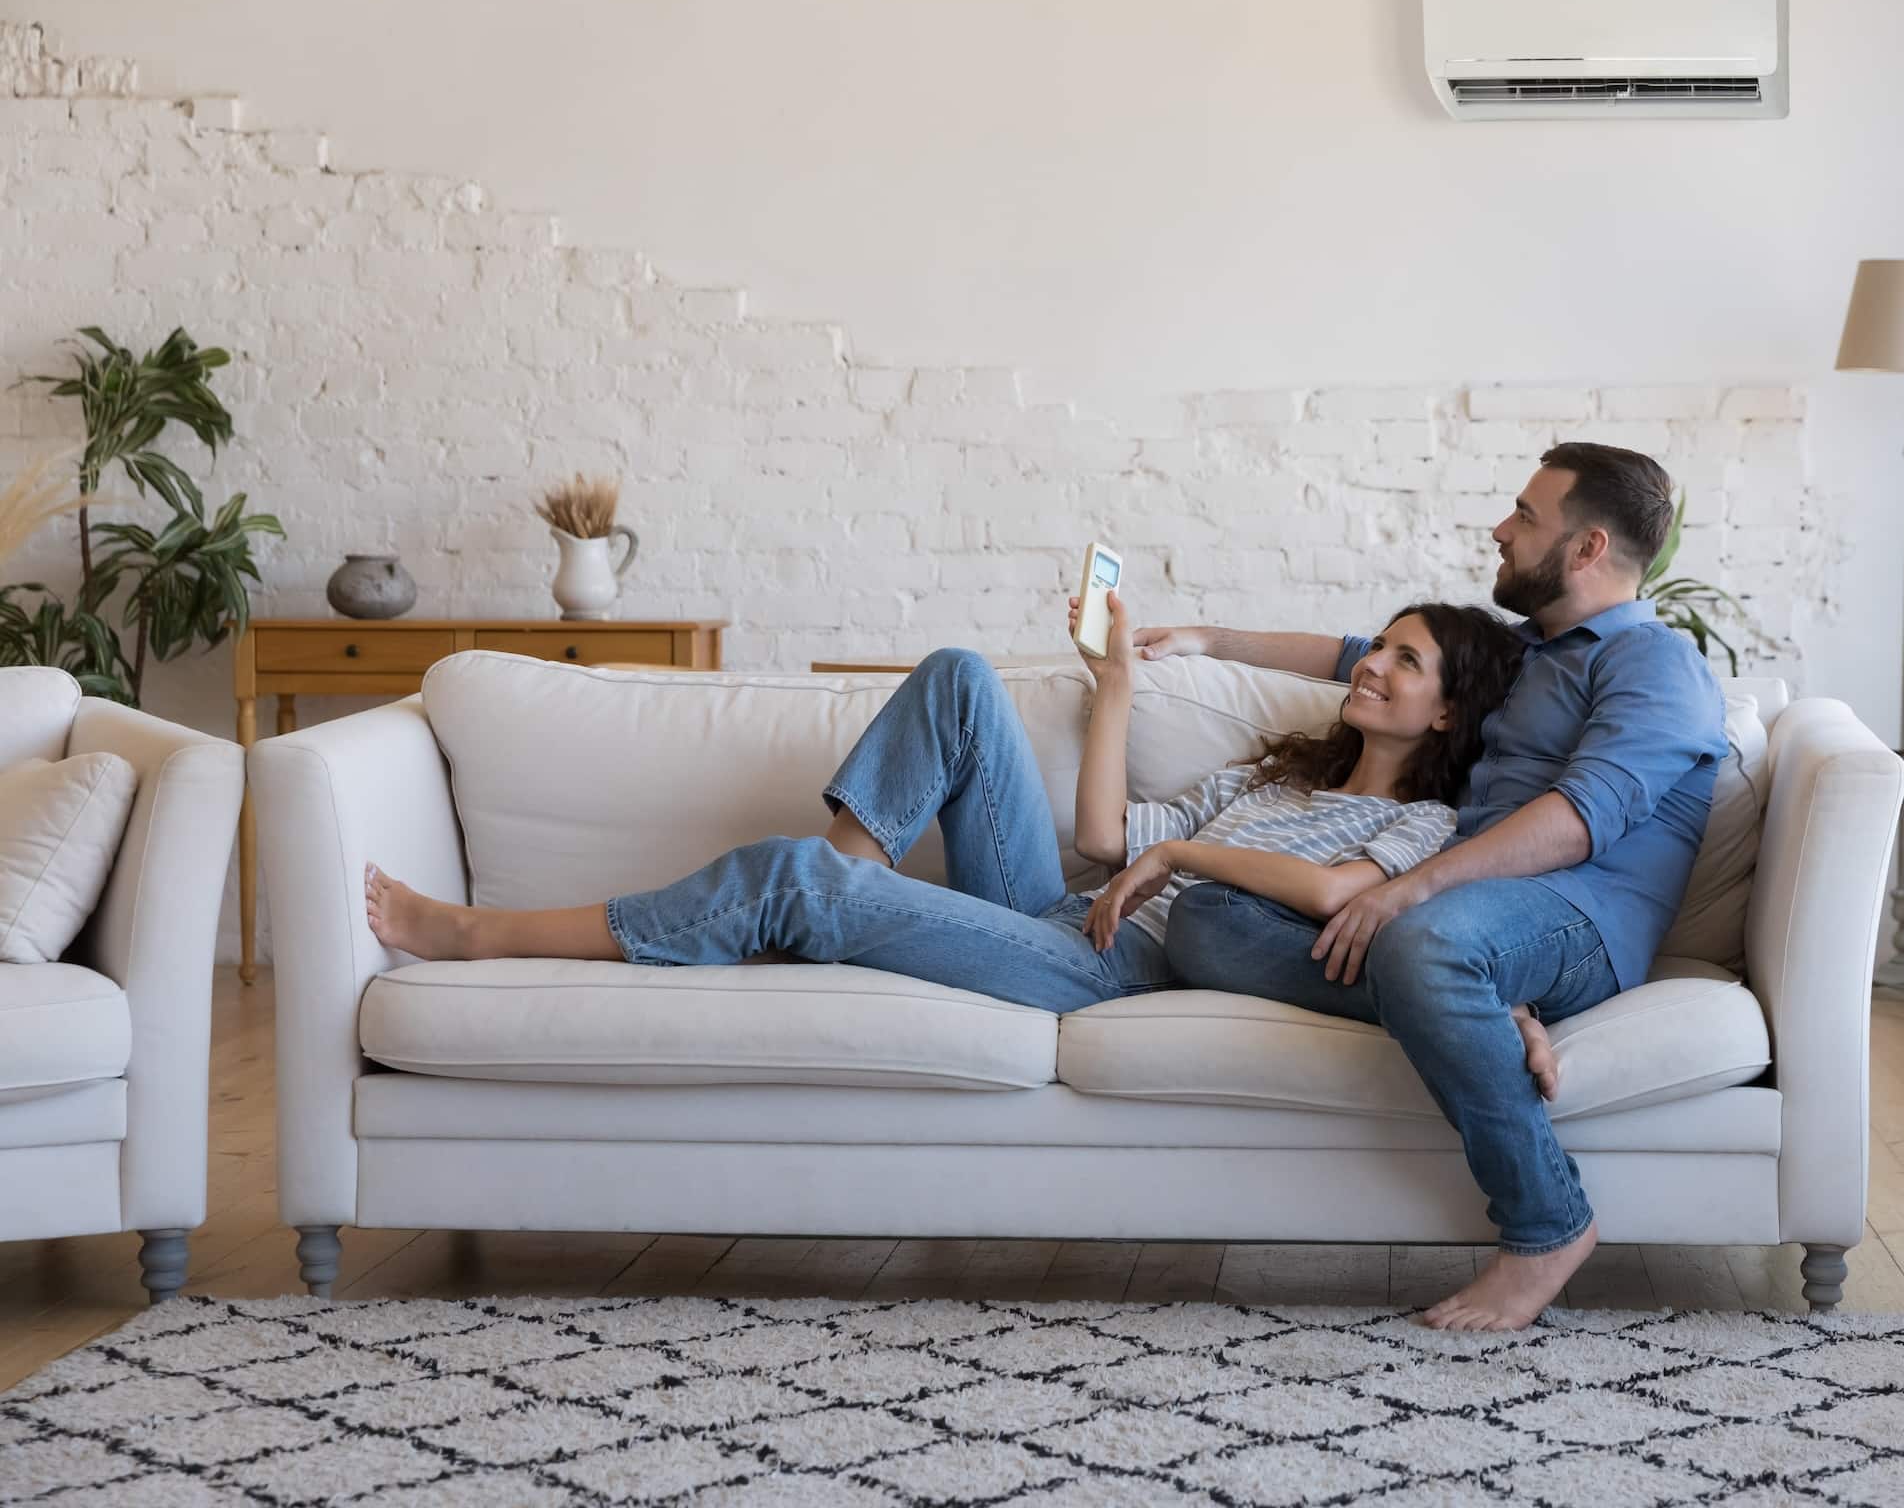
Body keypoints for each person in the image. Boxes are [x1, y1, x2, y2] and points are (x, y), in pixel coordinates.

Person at [1138, 443, 1727, 1332]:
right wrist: (1205, 639)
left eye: (1526, 516)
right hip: (1473, 914)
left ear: (1586, 547)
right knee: (1209, 916)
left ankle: (1548, 1225)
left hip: (1580, 913)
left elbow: (1579, 820)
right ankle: (1480, 1007)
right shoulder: (1526, 653)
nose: (1500, 527)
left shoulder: (1653, 661)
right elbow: (1352, 658)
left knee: (1425, 942)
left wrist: (1409, 892)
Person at [362, 595, 1527, 1020]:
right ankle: (826, 899)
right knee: (961, 676)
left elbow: (1333, 896)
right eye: (1378, 646)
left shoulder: (1421, 828)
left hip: (1122, 964)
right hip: (1067, 908)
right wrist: (1116, 688)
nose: (1373, 664)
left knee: (790, 881)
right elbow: (1101, 842)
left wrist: (1190, 859)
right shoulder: (1281, 773)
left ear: (1444, 715)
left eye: (1406, 661)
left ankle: (475, 931)